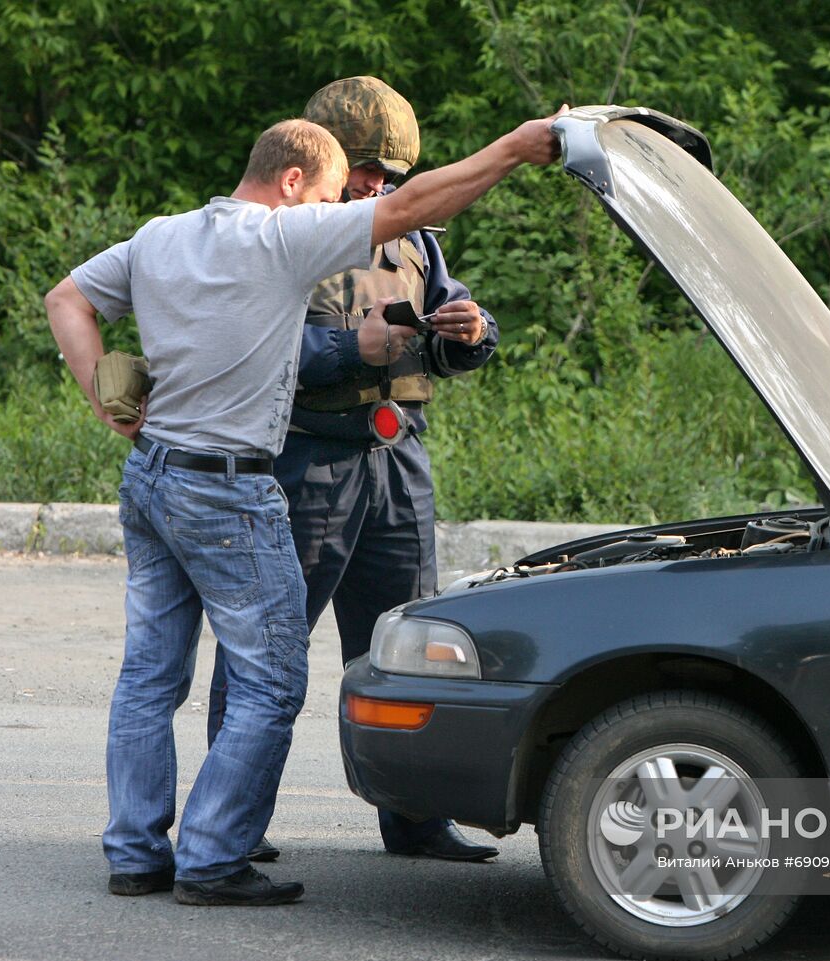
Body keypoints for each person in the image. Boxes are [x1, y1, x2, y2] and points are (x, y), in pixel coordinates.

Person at [44, 110, 562, 905]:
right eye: (323, 200)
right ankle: (215, 857)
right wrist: (518, 149)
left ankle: (138, 854)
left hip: (152, 474)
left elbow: (66, 298)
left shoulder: (159, 235)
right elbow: (419, 203)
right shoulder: (282, 239)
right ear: (292, 183)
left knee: (151, 674)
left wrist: (101, 397)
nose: (331, 217)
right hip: (228, 486)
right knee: (271, 681)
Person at [206, 76, 499, 864]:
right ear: (327, 156)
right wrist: (346, 349)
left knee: (406, 651)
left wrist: (468, 332)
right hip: (307, 460)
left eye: (390, 174)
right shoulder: (277, 238)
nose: (376, 186)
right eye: (364, 169)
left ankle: (416, 822)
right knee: (266, 653)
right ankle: (232, 826)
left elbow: (450, 321)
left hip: (397, 460)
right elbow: (243, 346)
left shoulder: (416, 241)